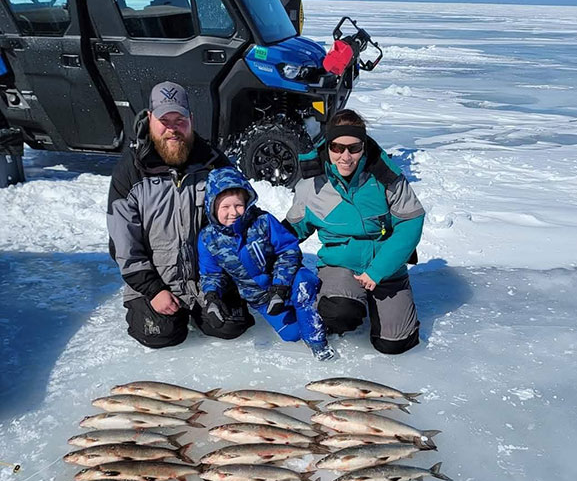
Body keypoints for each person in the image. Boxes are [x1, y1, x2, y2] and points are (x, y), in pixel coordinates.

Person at [107, 81, 254, 348]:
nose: (172, 128)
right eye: (165, 120)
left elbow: (245, 217)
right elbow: (122, 245)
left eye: (180, 119)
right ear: (150, 118)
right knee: (161, 335)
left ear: (191, 120)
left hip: (208, 281)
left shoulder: (213, 162)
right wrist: (153, 290)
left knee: (231, 327)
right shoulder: (129, 171)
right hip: (157, 280)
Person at [286, 109, 425, 355]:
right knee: (339, 313)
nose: (345, 156)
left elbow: (410, 222)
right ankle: (344, 300)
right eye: (337, 148)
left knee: (394, 344)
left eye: (354, 148)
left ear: (364, 146)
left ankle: (385, 303)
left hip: (385, 267)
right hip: (342, 266)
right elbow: (290, 231)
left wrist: (377, 271)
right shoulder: (312, 185)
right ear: (328, 146)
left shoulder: (386, 177)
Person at [197, 166, 336, 360]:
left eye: (238, 205)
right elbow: (211, 274)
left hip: (286, 283)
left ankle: (317, 340)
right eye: (225, 207)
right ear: (213, 208)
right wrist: (212, 297)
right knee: (292, 335)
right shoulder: (208, 239)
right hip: (260, 297)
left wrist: (280, 287)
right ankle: (299, 315)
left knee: (304, 285)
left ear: (247, 202)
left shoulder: (263, 221)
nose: (233, 212)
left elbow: (288, 250)